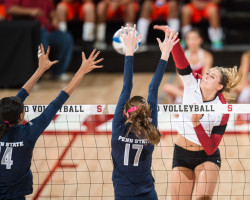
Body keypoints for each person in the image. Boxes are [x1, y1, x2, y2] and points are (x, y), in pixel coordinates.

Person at [0, 45, 103, 199]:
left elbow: (16, 100)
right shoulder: (28, 133)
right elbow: (57, 102)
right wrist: (81, 72)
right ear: (22, 115)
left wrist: (40, 70)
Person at [154, 25, 240, 199]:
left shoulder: (222, 108)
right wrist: (173, 38)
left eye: (212, 76)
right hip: (181, 154)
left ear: (219, 86)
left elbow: (211, 147)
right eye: (207, 73)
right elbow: (181, 62)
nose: (206, 75)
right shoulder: (191, 83)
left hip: (207, 157)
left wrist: (196, 124)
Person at [111, 24, 179, 200]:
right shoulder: (150, 129)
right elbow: (153, 89)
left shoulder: (119, 127)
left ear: (125, 113)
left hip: (123, 194)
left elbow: (127, 87)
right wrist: (165, 53)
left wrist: (129, 51)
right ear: (147, 113)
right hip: (148, 193)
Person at [5, 0, 74, 81]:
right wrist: (30, 11)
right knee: (42, 44)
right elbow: (10, 9)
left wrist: (54, 18)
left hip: (46, 29)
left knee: (65, 38)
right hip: (28, 30)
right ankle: (35, 77)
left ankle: (58, 72)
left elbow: (50, 9)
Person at [163, 28, 213, 103]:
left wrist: (196, 92)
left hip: (200, 89)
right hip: (185, 88)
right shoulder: (181, 55)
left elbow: (204, 78)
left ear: (200, 40)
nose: (191, 42)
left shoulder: (207, 56)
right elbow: (181, 81)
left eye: (194, 39)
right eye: (189, 39)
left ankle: (192, 98)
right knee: (167, 87)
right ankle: (192, 98)